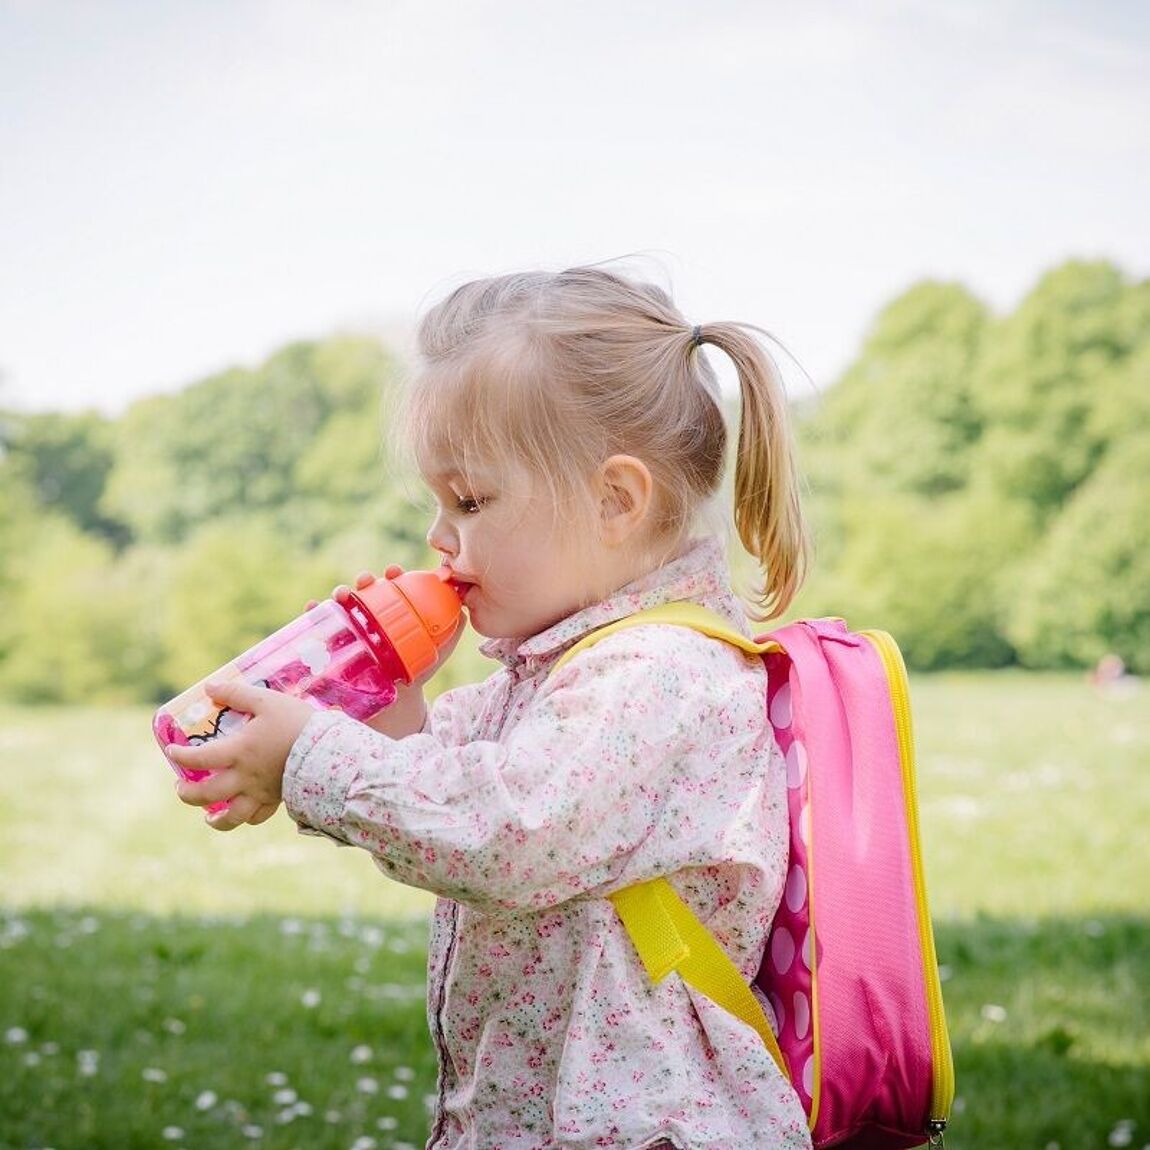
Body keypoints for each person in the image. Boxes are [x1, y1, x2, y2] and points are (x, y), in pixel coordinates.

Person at [170, 264, 814, 1149]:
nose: (440, 536)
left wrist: (313, 758)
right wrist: (376, 700)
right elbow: (432, 780)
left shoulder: (661, 674)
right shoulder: (559, 674)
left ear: (614, 500)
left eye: (469, 500)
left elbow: (504, 834)